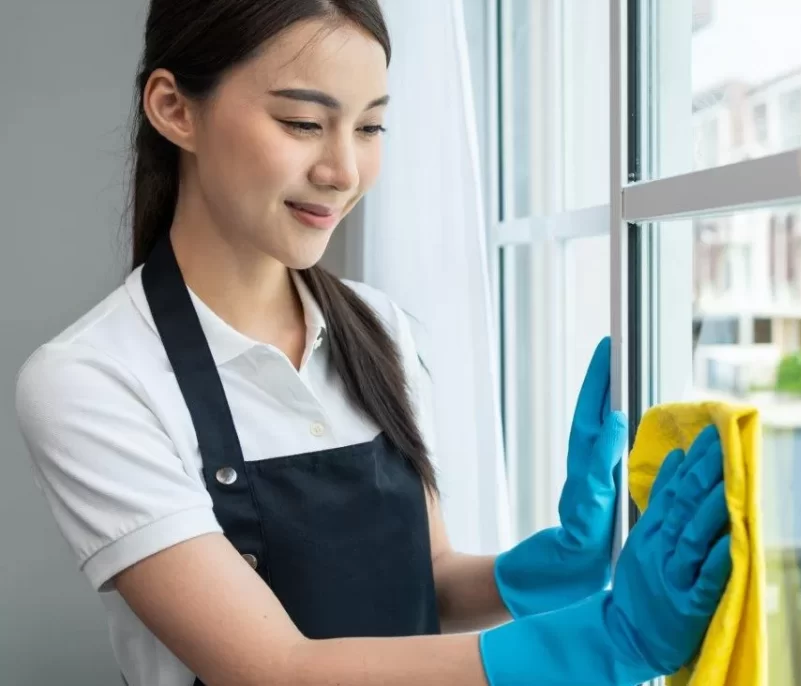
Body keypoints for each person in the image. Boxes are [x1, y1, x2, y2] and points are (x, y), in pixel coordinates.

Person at [12, 1, 732, 685]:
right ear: (175, 108)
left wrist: (553, 567)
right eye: (302, 122)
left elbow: (429, 576)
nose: (344, 172)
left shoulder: (378, 327)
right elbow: (270, 669)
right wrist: (607, 642)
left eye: (370, 128)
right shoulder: (94, 380)